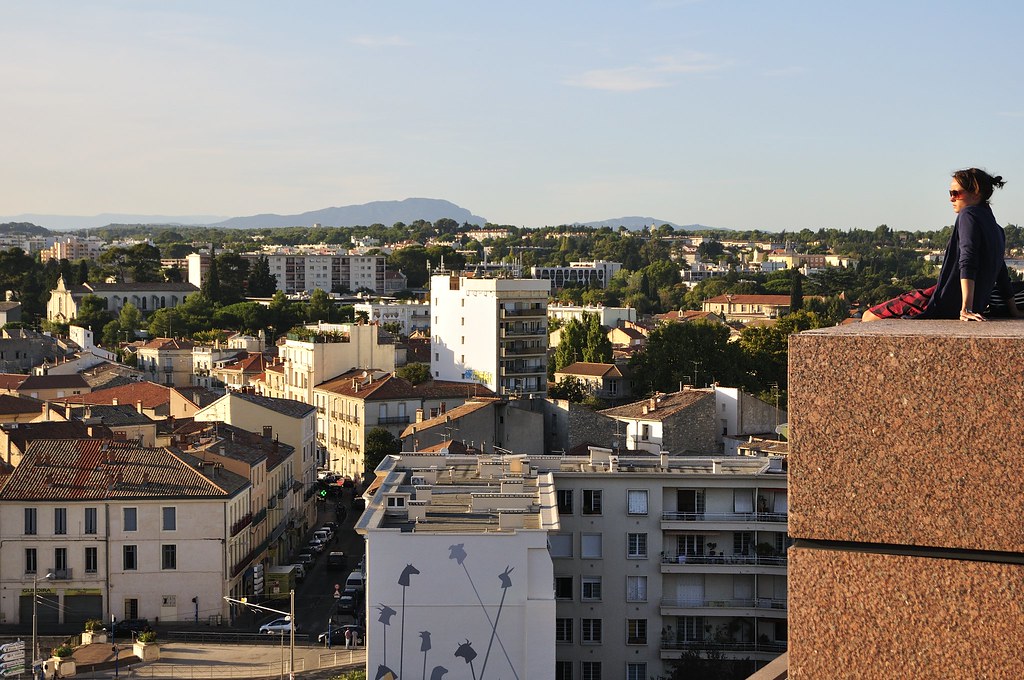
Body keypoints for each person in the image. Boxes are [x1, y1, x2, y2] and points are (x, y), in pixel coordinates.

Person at [862, 168, 1019, 321]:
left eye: (956, 193)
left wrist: (966, 309)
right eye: (950, 193)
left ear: (976, 193)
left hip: (945, 302)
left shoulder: (968, 214)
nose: (951, 198)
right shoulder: (997, 229)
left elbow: (968, 261)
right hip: (973, 303)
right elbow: (1002, 273)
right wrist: (1014, 311)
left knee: (868, 316)